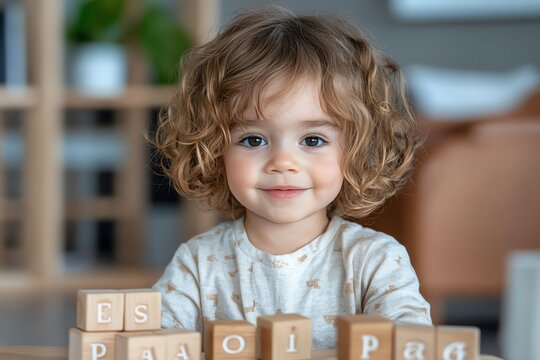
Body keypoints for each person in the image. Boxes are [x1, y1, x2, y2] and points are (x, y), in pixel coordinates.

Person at [151, 7, 431, 349]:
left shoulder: (376, 261)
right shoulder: (197, 263)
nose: (283, 163)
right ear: (214, 150)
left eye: (312, 140)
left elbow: (414, 347)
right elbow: (153, 343)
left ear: (356, 150)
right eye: (253, 140)